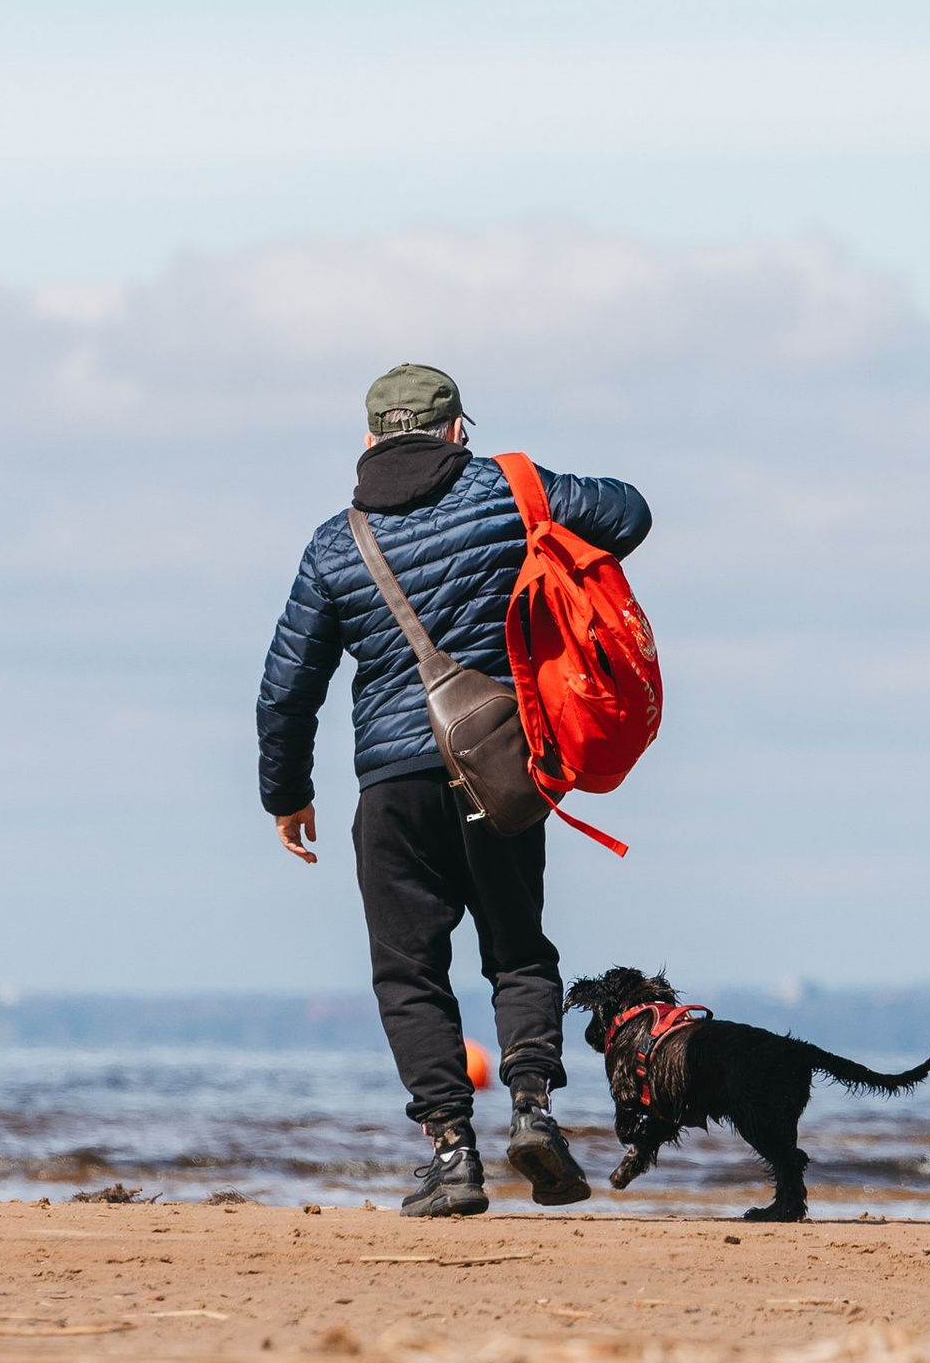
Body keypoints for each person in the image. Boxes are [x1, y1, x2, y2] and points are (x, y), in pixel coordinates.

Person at [256, 360, 652, 1219]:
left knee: (409, 975)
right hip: (502, 766)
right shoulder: (510, 491)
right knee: (517, 951)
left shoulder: (335, 542)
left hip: (392, 786)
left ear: (368, 440)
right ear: (455, 430)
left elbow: (288, 686)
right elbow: (629, 512)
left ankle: (450, 1154)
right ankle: (534, 1109)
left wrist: (285, 792)